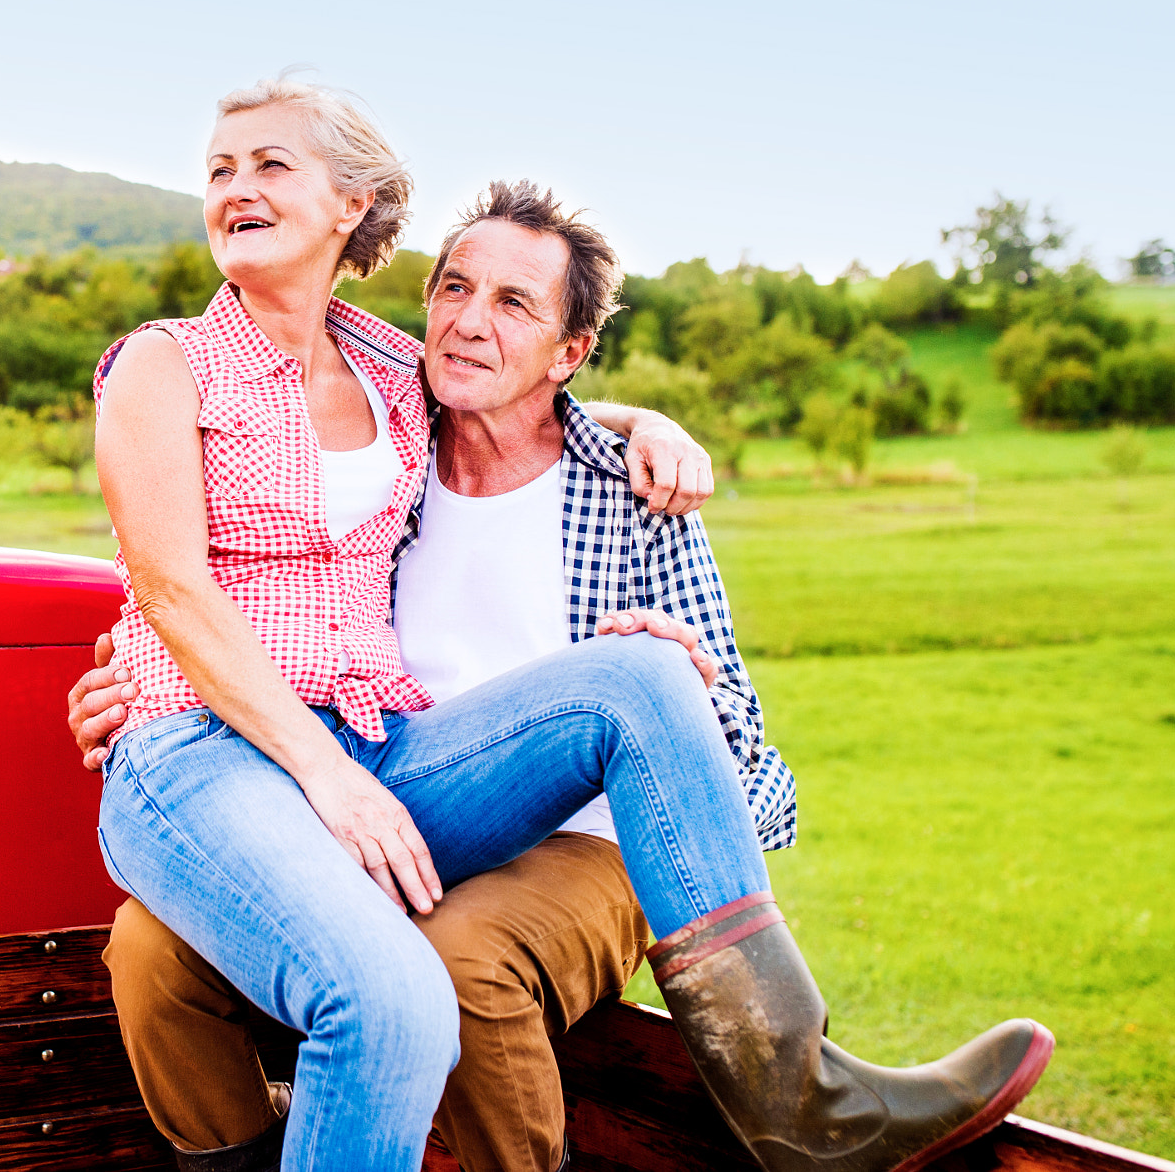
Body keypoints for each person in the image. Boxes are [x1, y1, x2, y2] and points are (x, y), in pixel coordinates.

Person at [87, 77, 1051, 1172]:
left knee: (637, 678)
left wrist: (646, 428)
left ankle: (796, 1093)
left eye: (270, 165)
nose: (235, 188)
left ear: (349, 204)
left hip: (404, 765)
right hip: (262, 759)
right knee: (308, 983)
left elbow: (509, 393)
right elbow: (171, 591)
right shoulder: (183, 364)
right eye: (219, 168)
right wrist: (293, 760)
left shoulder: (397, 375)